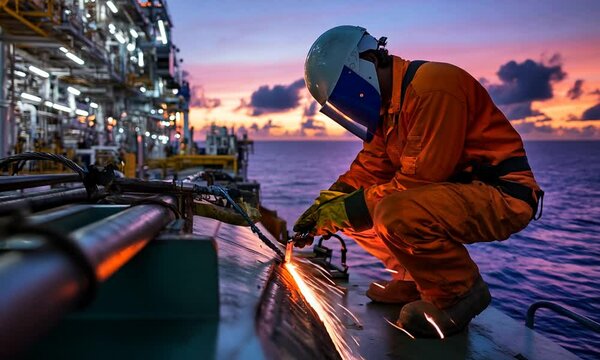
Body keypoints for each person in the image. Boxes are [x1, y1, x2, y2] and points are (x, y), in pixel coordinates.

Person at [293, 25, 543, 337]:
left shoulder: (434, 88)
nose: (351, 106)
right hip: (451, 191)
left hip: (503, 194)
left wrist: (341, 209)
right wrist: (325, 206)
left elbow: (419, 182)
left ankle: (459, 294)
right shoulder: (390, 112)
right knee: (355, 213)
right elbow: (367, 171)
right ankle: (414, 280)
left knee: (390, 212)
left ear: (368, 62)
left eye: (347, 93)